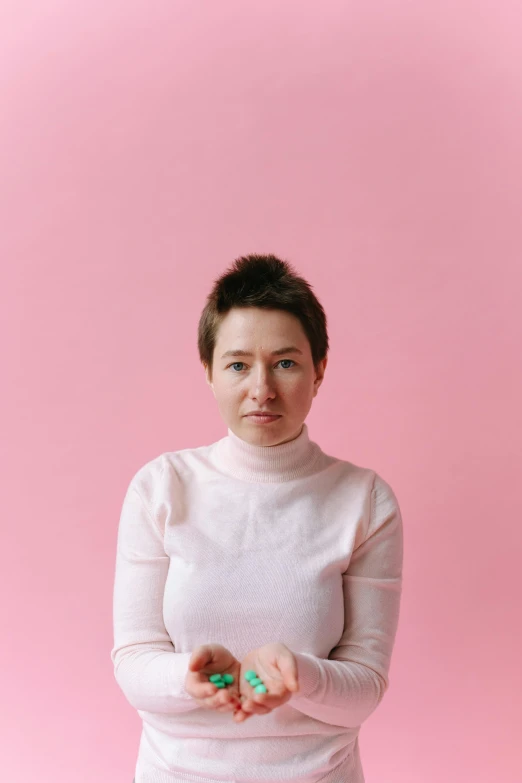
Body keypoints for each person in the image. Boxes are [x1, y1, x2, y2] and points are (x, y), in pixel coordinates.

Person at [111, 253, 404, 783]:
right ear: (209, 371)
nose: (262, 389)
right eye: (239, 364)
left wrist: (301, 677)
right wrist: (191, 677)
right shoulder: (161, 487)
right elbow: (133, 661)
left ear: (319, 370)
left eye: (286, 363)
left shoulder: (365, 500)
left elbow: (365, 686)